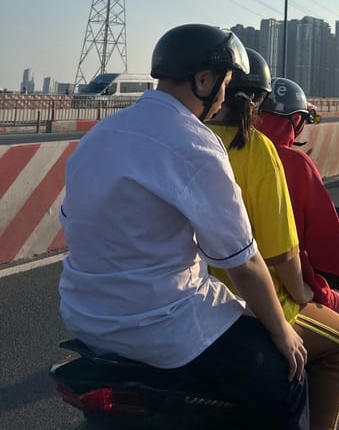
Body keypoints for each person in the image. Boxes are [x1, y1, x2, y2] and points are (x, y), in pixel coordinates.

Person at [58, 25, 309, 430]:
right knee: (288, 379)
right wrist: (282, 332)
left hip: (83, 316)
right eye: (224, 84)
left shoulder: (100, 135)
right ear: (203, 80)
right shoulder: (194, 143)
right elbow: (243, 263)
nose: (225, 96)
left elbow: (73, 222)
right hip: (163, 325)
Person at [209, 53, 339, 430]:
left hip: (189, 301)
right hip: (252, 304)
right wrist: (301, 292)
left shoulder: (192, 141)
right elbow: (282, 254)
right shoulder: (260, 150)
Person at [258, 77, 339, 430]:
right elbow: (331, 251)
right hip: (282, 296)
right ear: (296, 121)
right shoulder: (291, 162)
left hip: (215, 294)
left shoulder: (223, 152)